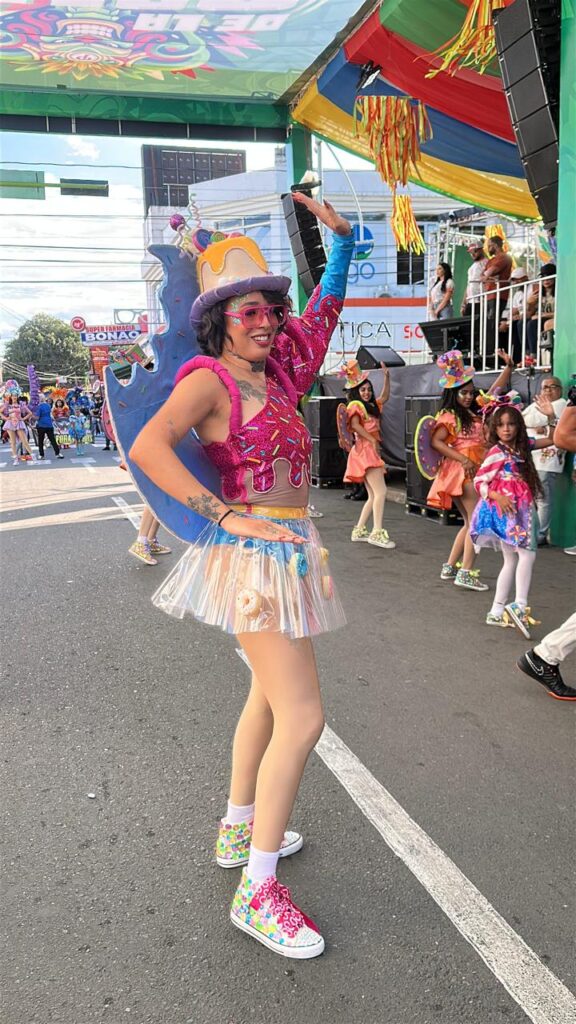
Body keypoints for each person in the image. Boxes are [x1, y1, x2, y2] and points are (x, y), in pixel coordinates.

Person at [129, 193, 354, 959]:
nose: (263, 320)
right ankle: (256, 892)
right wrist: (222, 516)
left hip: (287, 551)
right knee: (304, 717)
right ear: (220, 317)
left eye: (268, 309)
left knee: (265, 697)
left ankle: (236, 828)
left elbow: (318, 318)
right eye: (247, 310)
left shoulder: (279, 378)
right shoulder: (209, 380)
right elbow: (149, 449)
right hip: (256, 558)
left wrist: (347, 250)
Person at [428, 349, 514, 590]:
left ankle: (451, 565)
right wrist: (463, 460)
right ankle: (465, 572)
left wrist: (508, 369)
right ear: (452, 393)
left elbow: (494, 392)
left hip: (469, 470)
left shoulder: (473, 411)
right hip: (462, 472)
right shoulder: (449, 415)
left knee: (469, 522)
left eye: (470, 392)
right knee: (476, 523)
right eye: (463, 393)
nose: (468, 397)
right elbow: (436, 441)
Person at [470, 406, 553, 637]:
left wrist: (551, 416)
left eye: (511, 424)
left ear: (518, 426)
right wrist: (497, 496)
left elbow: (554, 439)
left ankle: (496, 611)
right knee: (527, 554)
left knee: (511, 559)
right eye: (501, 425)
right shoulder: (496, 452)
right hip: (511, 510)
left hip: (520, 507)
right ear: (495, 428)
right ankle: (519, 604)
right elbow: (479, 480)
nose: (506, 429)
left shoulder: (524, 446)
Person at [342, 360, 395, 549]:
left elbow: (385, 397)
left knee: (373, 495)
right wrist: (372, 441)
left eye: (368, 389)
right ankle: (377, 532)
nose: (367, 393)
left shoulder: (369, 406)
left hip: (367, 450)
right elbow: (355, 425)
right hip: (366, 450)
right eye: (363, 390)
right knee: (381, 492)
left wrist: (387, 378)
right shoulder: (355, 405)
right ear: (356, 391)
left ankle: (359, 529)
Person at [522, 377, 567, 545]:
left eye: (552, 387)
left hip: (547, 460)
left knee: (542, 499)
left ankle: (540, 535)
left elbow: (533, 420)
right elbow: (522, 419)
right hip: (533, 458)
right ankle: (532, 532)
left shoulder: (562, 404)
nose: (547, 390)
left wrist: (536, 423)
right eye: (544, 387)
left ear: (560, 389)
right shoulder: (539, 404)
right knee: (533, 498)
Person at [498, 266, 529, 364]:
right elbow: (513, 310)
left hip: (528, 317)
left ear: (525, 278)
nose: (515, 282)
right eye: (514, 280)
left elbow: (532, 308)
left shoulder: (533, 288)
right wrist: (505, 321)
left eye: (517, 279)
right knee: (501, 329)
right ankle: (503, 361)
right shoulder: (518, 293)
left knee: (517, 324)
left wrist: (518, 316)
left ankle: (519, 359)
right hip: (518, 318)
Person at [526, 264, 555, 358]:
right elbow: (530, 313)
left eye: (549, 277)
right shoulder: (538, 293)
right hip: (540, 318)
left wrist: (542, 315)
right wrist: (529, 303)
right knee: (521, 323)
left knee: (532, 324)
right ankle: (527, 354)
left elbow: (562, 311)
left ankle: (534, 355)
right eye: (543, 277)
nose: (546, 280)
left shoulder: (560, 291)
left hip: (552, 318)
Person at [0, 393, 34, 465]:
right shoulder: (7, 405)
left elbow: (30, 413)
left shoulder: (21, 405)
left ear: (17, 397)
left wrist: (23, 419)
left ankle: (33, 457)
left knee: (24, 441)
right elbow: (0, 412)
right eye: (13, 396)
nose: (14, 397)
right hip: (10, 424)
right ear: (11, 397)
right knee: (13, 442)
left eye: (16, 396)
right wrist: (6, 418)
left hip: (19, 423)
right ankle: (15, 459)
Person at [461, 243, 487, 317]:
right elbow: (469, 285)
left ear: (481, 250)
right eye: (470, 252)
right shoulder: (471, 267)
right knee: (466, 326)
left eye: (475, 251)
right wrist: (463, 303)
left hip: (481, 300)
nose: (472, 254)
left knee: (478, 325)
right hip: (470, 300)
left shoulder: (486, 263)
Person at [36, 396, 65, 460]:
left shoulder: (38, 407)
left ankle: (41, 455)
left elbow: (37, 417)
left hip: (41, 425)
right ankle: (57, 453)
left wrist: (32, 416)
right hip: (49, 424)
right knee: (52, 440)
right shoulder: (48, 406)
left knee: (40, 441)